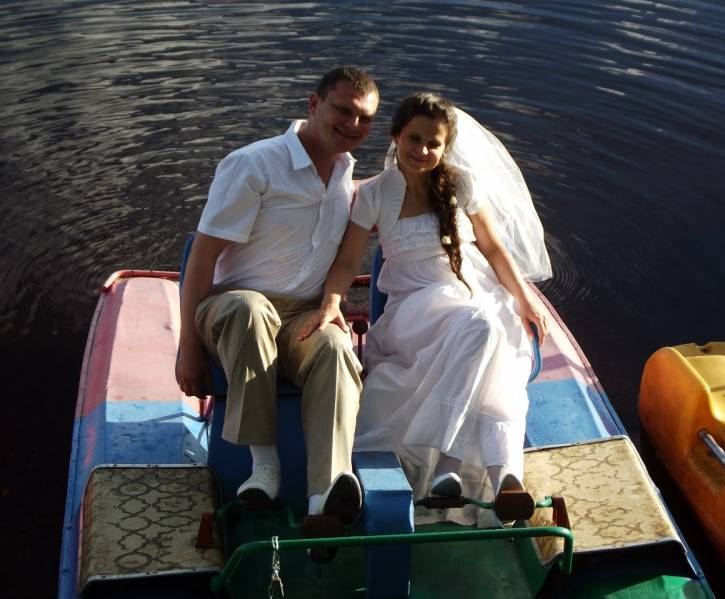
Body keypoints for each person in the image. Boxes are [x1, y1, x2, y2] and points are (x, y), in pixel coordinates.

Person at [299, 92, 552, 526]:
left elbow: (493, 248)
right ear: (396, 136)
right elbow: (346, 262)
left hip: (475, 291)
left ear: (445, 146)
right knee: (481, 327)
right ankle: (466, 465)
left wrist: (524, 297)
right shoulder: (374, 194)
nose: (422, 150)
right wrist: (331, 302)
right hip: (413, 309)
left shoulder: (462, 185)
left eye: (433, 143)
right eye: (414, 139)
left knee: (493, 333)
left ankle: (493, 476)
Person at [175, 66, 380, 521]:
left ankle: (325, 496)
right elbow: (202, 257)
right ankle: (263, 469)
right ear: (314, 104)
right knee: (250, 310)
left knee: (334, 347)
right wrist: (188, 347)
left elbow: (406, 191)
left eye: (365, 118)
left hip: (300, 315)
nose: (353, 125)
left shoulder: (345, 175)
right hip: (229, 307)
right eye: (343, 111)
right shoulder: (254, 165)